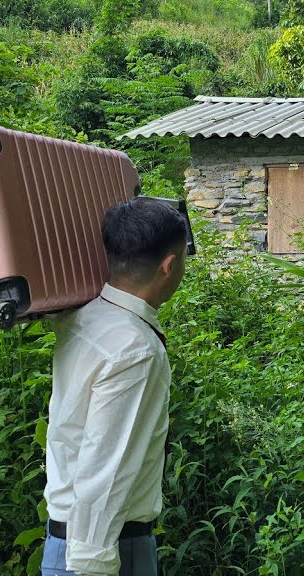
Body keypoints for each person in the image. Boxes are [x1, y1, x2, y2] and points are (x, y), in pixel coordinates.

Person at [42, 197, 188, 576]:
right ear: (169, 265)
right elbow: (105, 467)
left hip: (66, 541)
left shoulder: (85, 316)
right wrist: (93, 564)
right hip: (104, 550)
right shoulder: (135, 349)